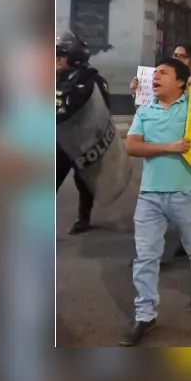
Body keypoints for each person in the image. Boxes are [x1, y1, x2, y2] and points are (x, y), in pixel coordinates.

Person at [121, 57, 191, 346]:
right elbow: (132, 146)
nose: (155, 76)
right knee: (146, 256)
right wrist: (169, 147)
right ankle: (145, 314)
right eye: (155, 72)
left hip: (186, 193)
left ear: (181, 82)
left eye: (164, 72)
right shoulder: (145, 111)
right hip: (149, 196)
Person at [130, 44, 191, 260]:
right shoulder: (149, 105)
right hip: (152, 187)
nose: (178, 58)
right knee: (147, 248)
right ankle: (149, 262)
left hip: (187, 184)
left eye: (182, 56)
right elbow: (144, 127)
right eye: (175, 55)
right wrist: (136, 94)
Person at [56, 32, 111, 235]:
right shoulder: (58, 77)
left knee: (84, 182)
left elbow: (102, 110)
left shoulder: (93, 79)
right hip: (60, 141)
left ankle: (83, 217)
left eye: (62, 54)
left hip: (82, 144)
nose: (58, 58)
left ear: (75, 55)